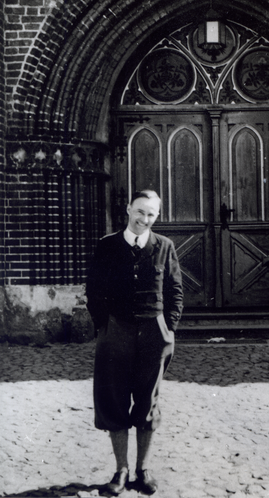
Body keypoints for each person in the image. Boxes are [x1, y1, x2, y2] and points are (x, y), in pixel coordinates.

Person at [86, 189, 183, 495]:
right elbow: (94, 290)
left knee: (147, 401)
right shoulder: (107, 245)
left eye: (151, 214)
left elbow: (175, 291)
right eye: (140, 211)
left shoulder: (164, 246)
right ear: (128, 210)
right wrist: (104, 326)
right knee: (113, 400)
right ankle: (121, 471)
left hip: (154, 334)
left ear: (157, 216)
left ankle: (142, 469)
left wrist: (168, 329)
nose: (144, 219)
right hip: (115, 330)